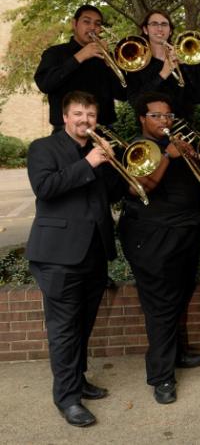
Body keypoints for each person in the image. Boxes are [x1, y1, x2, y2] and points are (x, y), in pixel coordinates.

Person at [26, 91, 124, 426]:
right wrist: (90, 163)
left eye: (91, 115)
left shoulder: (96, 150)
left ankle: (77, 381)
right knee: (64, 329)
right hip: (58, 255)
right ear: (65, 117)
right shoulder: (44, 148)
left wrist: (112, 165)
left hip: (93, 253)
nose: (86, 120)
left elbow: (110, 195)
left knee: (82, 325)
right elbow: (45, 187)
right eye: (79, 114)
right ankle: (67, 399)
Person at [117, 92, 200, 404]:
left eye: (167, 116)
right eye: (156, 116)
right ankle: (161, 376)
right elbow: (139, 187)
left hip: (184, 232)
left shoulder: (174, 142)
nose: (164, 121)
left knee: (179, 296)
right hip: (152, 236)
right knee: (160, 306)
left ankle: (177, 353)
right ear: (142, 118)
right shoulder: (138, 147)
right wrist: (168, 155)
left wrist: (192, 155)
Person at [34, 5, 125, 131]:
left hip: (104, 133)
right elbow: (45, 84)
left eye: (97, 24)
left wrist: (109, 63)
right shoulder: (55, 53)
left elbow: (123, 94)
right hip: (65, 134)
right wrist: (80, 56)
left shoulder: (105, 57)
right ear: (74, 24)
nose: (92, 27)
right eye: (86, 21)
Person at [125, 10, 196, 119]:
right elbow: (135, 101)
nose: (160, 29)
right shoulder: (135, 62)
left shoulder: (182, 57)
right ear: (145, 29)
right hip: (151, 129)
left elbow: (196, 96)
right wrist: (163, 74)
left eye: (164, 24)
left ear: (170, 30)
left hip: (184, 126)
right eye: (154, 24)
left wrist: (185, 66)